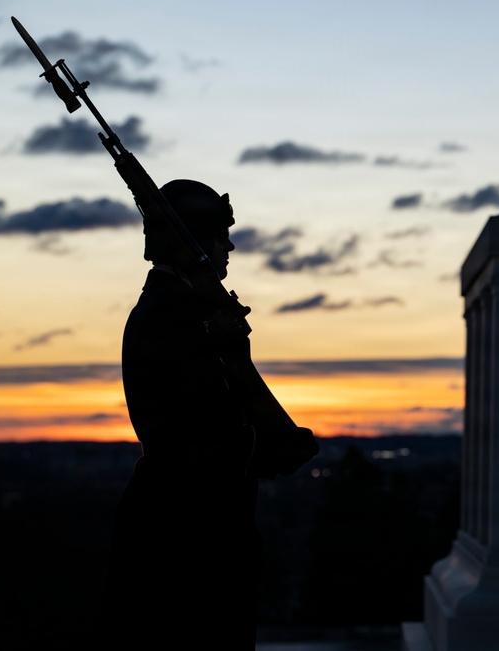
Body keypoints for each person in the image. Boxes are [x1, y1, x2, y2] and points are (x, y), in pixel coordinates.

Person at [97, 179, 318, 650]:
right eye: (220, 235)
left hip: (200, 535)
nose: (230, 245)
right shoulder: (171, 317)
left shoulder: (188, 311)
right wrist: (272, 449)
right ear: (193, 241)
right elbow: (198, 437)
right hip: (185, 543)